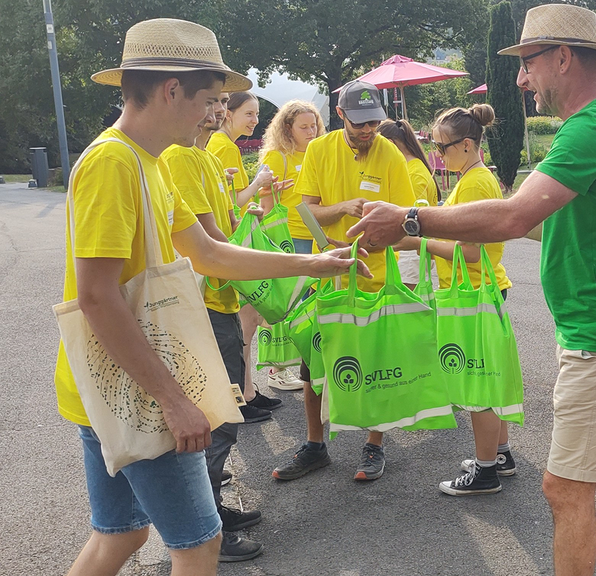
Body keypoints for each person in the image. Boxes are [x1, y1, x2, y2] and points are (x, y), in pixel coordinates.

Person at [348, 5, 596, 573]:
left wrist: (410, 222)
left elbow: (516, 218)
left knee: (564, 490)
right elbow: (543, 220)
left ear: (563, 57)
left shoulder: (593, 126)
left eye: (527, 63)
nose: (520, 79)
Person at [59, 18, 367, 576]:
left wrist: (315, 262)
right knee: (199, 545)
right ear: (172, 89)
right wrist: (175, 400)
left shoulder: (146, 160)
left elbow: (212, 253)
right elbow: (97, 296)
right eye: (210, 100)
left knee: (121, 536)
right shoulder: (114, 162)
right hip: (140, 390)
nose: (215, 114)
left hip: (109, 386)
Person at [272, 80, 415, 483]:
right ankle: (316, 445)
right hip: (328, 278)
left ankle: (374, 446)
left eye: (373, 123)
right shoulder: (319, 150)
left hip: (376, 278)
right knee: (314, 363)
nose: (367, 130)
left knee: (376, 366)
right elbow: (307, 212)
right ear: (340, 116)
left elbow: (405, 221)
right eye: (359, 124)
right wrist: (344, 210)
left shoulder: (390, 154)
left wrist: (372, 237)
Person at [161, 89, 271, 562]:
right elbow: (207, 242)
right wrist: (285, 267)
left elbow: (224, 223)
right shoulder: (179, 157)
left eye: (224, 101)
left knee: (223, 416)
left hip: (220, 297)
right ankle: (206, 528)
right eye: (211, 101)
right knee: (217, 418)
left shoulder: (204, 159)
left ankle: (210, 515)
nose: (220, 111)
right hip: (202, 301)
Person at [392, 104, 516, 495]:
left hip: (473, 291)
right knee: (487, 379)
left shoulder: (476, 182)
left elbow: (473, 251)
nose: (436, 154)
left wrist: (421, 242)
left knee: (476, 383)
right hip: (479, 289)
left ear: (466, 145)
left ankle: (485, 472)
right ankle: (499, 454)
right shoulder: (472, 177)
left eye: (440, 147)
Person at [210, 90, 301, 411]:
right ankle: (242, 395)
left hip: (231, 242)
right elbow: (229, 202)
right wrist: (259, 181)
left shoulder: (224, 146)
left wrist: (265, 188)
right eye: (248, 113)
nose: (254, 120)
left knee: (245, 325)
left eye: (257, 113)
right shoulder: (222, 146)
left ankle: (247, 391)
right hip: (231, 246)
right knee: (245, 325)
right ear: (230, 113)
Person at [257, 101, 326, 392]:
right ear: (287, 128)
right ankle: (276, 368)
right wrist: (270, 244)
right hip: (287, 238)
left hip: (313, 236)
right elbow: (266, 203)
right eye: (304, 127)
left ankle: (304, 364)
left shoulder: (318, 152)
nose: (311, 131)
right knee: (285, 304)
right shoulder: (277, 156)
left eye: (314, 125)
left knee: (308, 304)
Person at [377, 118, 439, 287]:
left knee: (405, 309)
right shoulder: (411, 168)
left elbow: (413, 223)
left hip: (410, 253)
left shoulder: (414, 174)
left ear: (389, 144)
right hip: (408, 251)